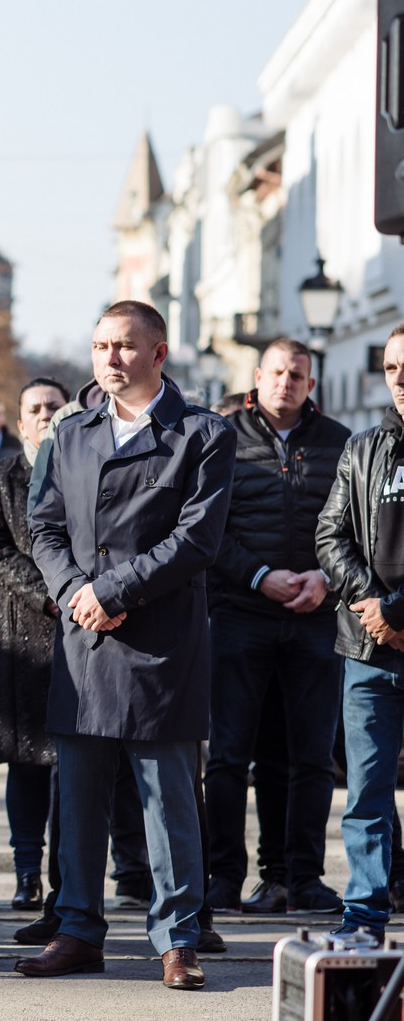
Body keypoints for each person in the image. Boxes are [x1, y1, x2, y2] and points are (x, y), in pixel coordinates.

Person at [21, 300, 235, 991]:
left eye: (123, 346)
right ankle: (78, 930)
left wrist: (112, 592)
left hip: (158, 642)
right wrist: (75, 590)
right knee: (77, 798)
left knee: (167, 799)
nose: (109, 358)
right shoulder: (72, 433)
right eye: (99, 346)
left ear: (158, 354)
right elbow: (43, 526)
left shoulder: (201, 434)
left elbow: (197, 540)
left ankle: (177, 937)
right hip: (83, 638)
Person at [203, 338, 348, 916]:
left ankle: (300, 877)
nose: (286, 383)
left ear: (310, 384)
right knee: (230, 756)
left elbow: (353, 526)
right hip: (241, 614)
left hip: (316, 619)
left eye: (298, 375)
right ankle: (222, 877)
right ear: (256, 377)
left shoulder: (340, 442)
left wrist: (325, 578)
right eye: (277, 373)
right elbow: (206, 529)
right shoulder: (221, 439)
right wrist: (260, 575)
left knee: (312, 757)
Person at [316, 322, 404, 942]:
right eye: (393, 366)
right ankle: (365, 917)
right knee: (366, 794)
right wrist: (372, 602)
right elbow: (330, 535)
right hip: (369, 648)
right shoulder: (365, 447)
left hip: (390, 625)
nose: (401, 378)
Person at [0, 377, 69, 914]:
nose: (44, 415)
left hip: (78, 633)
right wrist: (47, 594)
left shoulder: (85, 468)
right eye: (34, 409)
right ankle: (25, 870)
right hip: (20, 634)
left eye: (53, 407)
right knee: (24, 760)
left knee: (70, 763)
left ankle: (64, 877)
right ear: (19, 423)